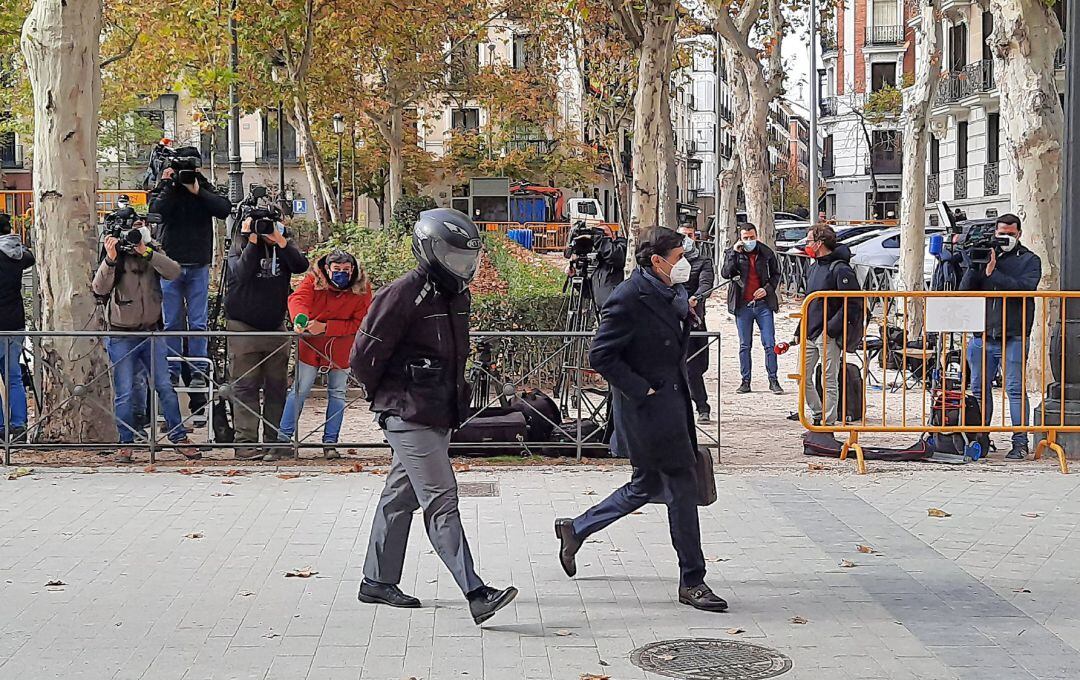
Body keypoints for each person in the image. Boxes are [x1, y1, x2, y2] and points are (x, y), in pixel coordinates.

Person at [351, 208, 518, 626]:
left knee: (400, 496)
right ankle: (476, 592)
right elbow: (363, 357)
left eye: (467, 258)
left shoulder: (456, 295)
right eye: (453, 256)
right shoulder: (403, 293)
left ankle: (376, 581)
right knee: (441, 499)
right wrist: (388, 400)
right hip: (408, 412)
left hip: (437, 410)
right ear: (428, 251)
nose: (463, 266)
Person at [554, 227, 729, 613]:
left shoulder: (670, 293)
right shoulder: (629, 297)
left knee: (646, 485)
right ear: (656, 261)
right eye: (679, 257)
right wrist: (642, 389)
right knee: (681, 490)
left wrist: (686, 315)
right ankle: (693, 581)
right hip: (648, 411)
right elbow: (601, 355)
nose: (684, 264)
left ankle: (576, 528)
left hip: (672, 404)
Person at [91, 217, 199, 463]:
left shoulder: (151, 250)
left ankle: (179, 437)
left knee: (164, 386)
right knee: (125, 391)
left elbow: (174, 272)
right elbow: (98, 288)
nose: (134, 234)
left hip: (152, 332)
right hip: (121, 334)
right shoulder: (113, 256)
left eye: (138, 228)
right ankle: (125, 443)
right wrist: (110, 258)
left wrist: (146, 252)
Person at [224, 215, 309, 461]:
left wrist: (280, 240)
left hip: (275, 327)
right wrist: (251, 239)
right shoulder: (238, 246)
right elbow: (240, 273)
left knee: (277, 387)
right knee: (245, 387)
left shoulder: (282, 245)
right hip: (243, 328)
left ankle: (274, 441)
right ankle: (245, 443)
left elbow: (300, 265)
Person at [959, 213, 1042, 460]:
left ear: (1019, 234)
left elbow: (1024, 290)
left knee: (1015, 389)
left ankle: (1020, 442)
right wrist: (975, 266)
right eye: (1001, 233)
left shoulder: (1029, 259)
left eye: (1010, 234)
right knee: (978, 388)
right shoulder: (985, 254)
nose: (1005, 238)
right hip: (982, 335)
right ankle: (980, 438)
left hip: (1013, 335)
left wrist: (993, 273)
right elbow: (965, 291)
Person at [278, 250, 372, 458]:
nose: (341, 274)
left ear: (353, 270)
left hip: (340, 350)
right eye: (336, 270)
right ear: (327, 269)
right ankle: (283, 440)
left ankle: (330, 443)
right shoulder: (313, 280)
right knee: (299, 391)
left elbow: (362, 322)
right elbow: (298, 298)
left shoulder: (362, 288)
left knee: (337, 394)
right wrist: (300, 318)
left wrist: (328, 327)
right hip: (311, 347)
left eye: (346, 270)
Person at [149, 162, 232, 388]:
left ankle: (198, 370)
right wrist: (167, 183)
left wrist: (199, 190)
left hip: (198, 263)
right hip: (170, 264)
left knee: (198, 322)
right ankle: (172, 369)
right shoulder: (168, 188)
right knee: (171, 321)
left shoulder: (202, 187)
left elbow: (224, 208)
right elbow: (155, 211)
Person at [801, 225, 862, 427]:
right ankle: (817, 412)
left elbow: (853, 302)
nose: (806, 244)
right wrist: (798, 330)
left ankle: (828, 422)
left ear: (819, 243)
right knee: (802, 376)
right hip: (810, 331)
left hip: (828, 333)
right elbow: (809, 302)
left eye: (809, 241)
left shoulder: (841, 269)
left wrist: (831, 329)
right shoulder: (813, 267)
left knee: (829, 380)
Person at [721, 223, 783, 395]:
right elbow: (726, 273)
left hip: (763, 305)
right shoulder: (733, 252)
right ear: (740, 238)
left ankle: (773, 380)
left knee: (769, 343)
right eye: (746, 238)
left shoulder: (766, 253)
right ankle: (745, 381)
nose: (749, 241)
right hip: (742, 305)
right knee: (744, 345)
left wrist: (767, 289)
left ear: (756, 236)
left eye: (752, 237)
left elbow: (777, 274)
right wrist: (734, 253)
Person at [677, 225, 717, 422]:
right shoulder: (668, 259)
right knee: (681, 366)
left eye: (689, 236)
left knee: (698, 366)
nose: (686, 239)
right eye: (682, 236)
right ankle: (693, 407)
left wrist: (695, 297)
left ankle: (700, 405)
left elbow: (706, 284)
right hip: (671, 320)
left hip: (694, 319)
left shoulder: (703, 262)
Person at [0, 214, 32, 440]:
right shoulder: (18, 255)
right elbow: (29, 257)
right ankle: (19, 424)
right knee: (13, 377)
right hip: (15, 323)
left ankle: (1, 427)